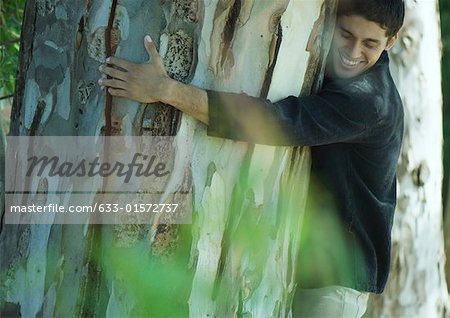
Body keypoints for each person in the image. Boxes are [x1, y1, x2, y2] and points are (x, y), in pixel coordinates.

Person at [99, 0, 405, 316]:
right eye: (346, 34)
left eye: (370, 44)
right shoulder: (343, 75)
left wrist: (165, 90)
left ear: (390, 42)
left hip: (335, 286)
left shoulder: (371, 102)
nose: (353, 51)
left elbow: (277, 124)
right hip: (308, 272)